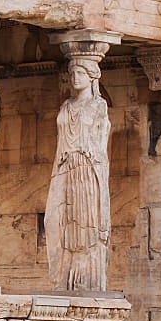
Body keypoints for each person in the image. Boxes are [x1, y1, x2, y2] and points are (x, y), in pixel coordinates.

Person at [45, 59, 111, 291]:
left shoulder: (98, 106)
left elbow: (101, 139)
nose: (75, 77)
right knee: (54, 219)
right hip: (65, 167)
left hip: (87, 169)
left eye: (80, 72)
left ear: (92, 77)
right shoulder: (66, 106)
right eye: (72, 72)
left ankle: (85, 278)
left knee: (86, 222)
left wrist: (90, 153)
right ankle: (64, 276)